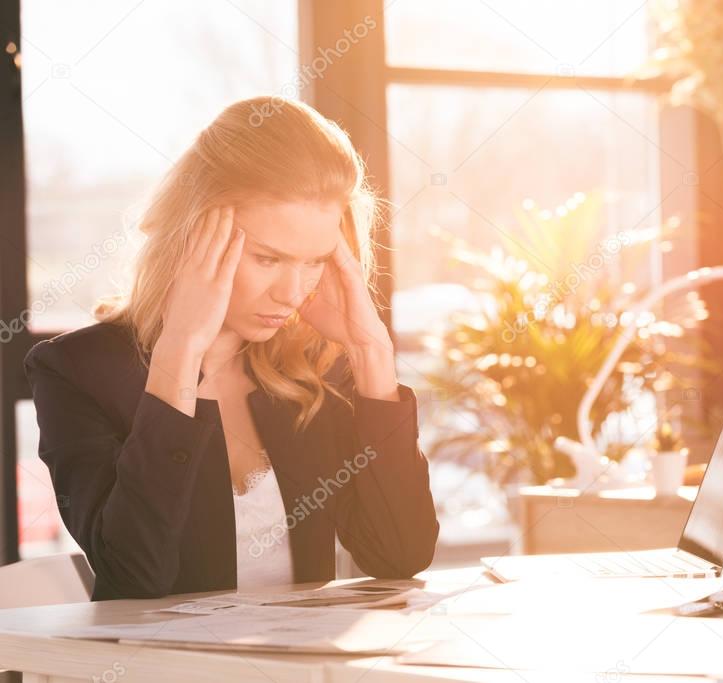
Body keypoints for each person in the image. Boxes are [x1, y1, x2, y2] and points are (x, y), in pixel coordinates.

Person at [23, 96, 439, 600]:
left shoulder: (315, 366)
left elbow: (399, 556)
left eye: (314, 262)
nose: (292, 293)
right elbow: (134, 575)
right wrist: (180, 350)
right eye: (268, 258)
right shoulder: (76, 371)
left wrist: (372, 352)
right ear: (193, 236)